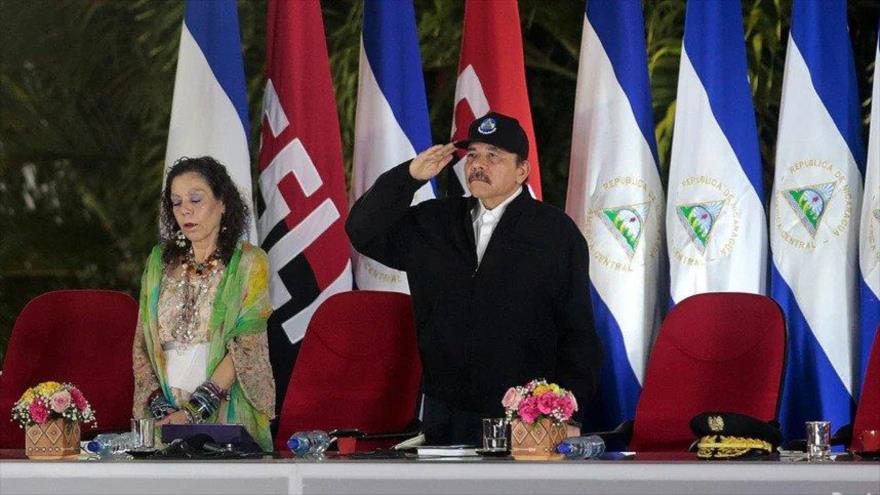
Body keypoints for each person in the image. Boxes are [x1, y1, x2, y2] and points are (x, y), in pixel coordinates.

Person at [346, 112, 602, 445]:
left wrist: (567, 413)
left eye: (493, 156)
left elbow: (578, 333)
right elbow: (362, 230)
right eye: (473, 155)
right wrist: (408, 177)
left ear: (522, 170)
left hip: (525, 416)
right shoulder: (435, 222)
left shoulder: (554, 233)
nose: (478, 164)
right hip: (444, 412)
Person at [132, 156, 275, 451]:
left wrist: (195, 411)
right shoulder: (159, 262)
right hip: (164, 415)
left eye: (196, 199)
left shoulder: (250, 263)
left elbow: (245, 347)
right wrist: (163, 410)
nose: (186, 209)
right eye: (176, 202)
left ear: (223, 203)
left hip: (225, 412)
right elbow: (142, 344)